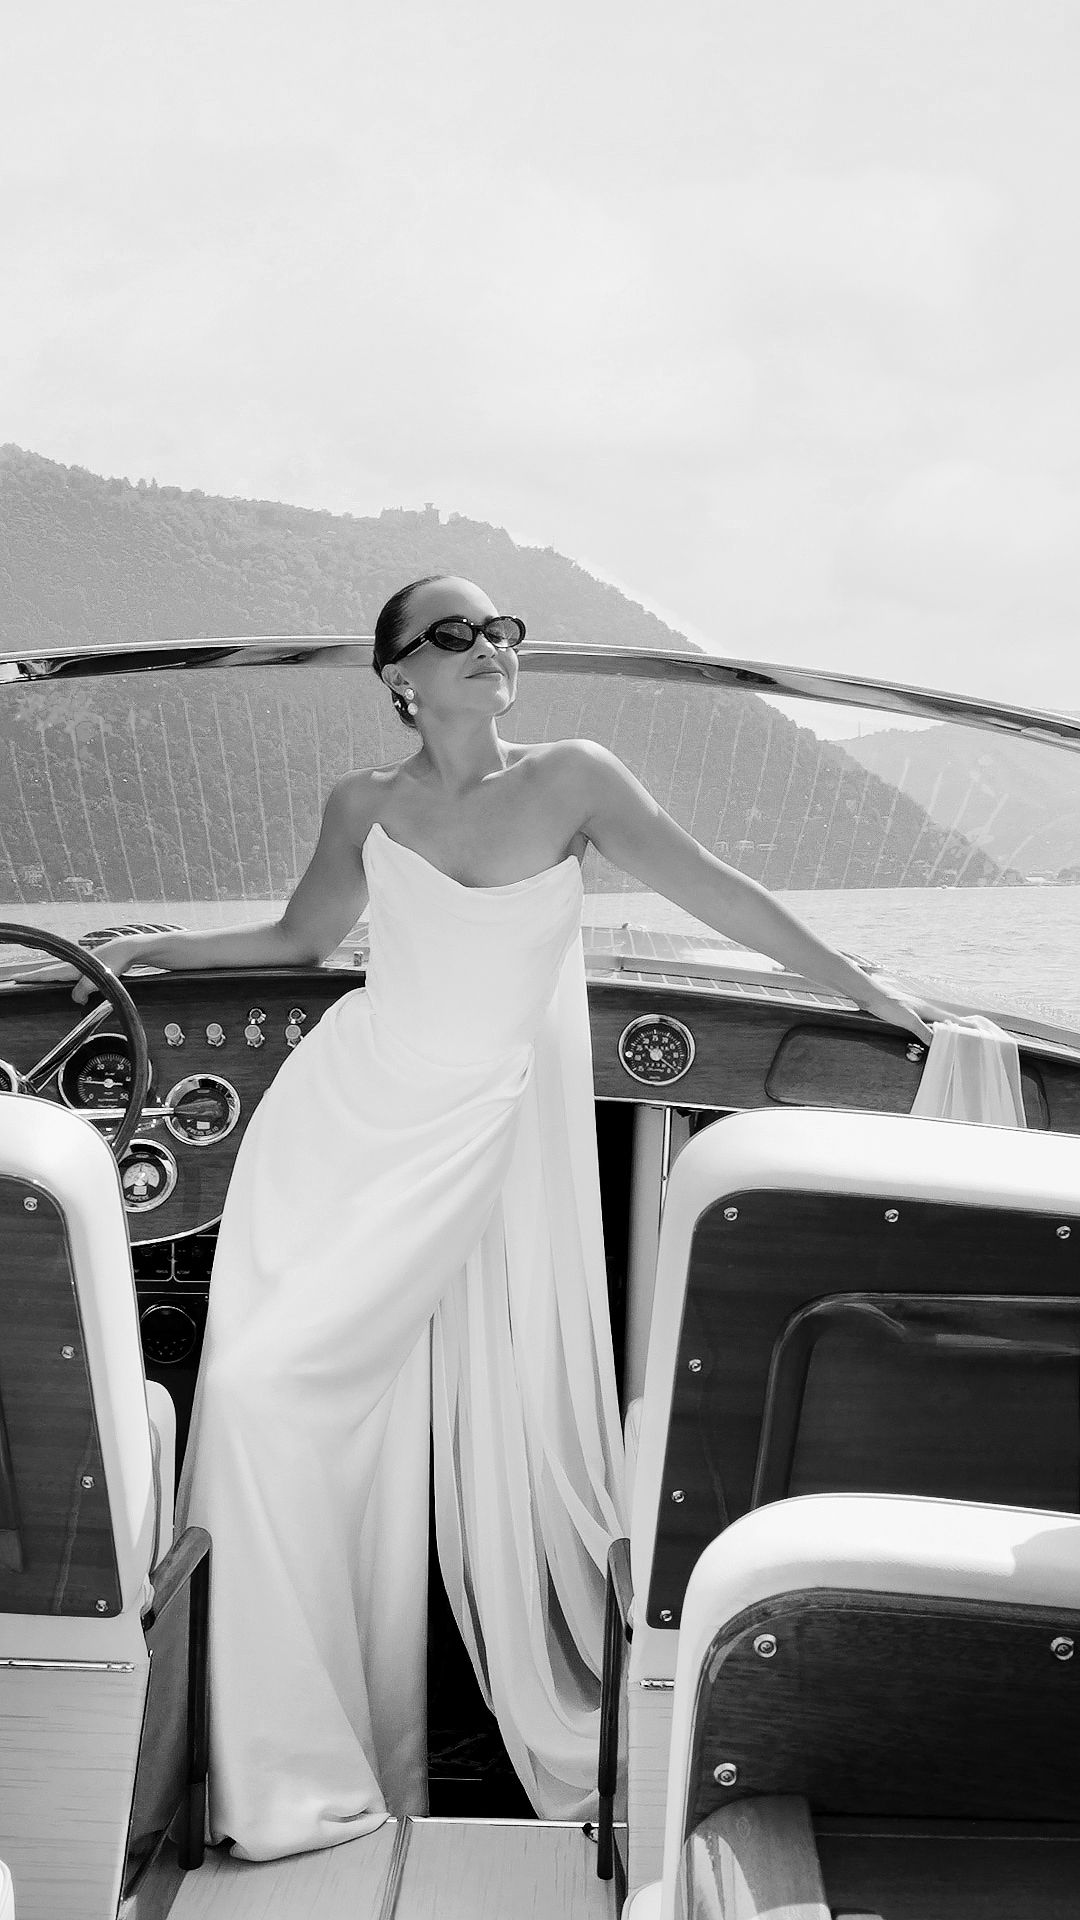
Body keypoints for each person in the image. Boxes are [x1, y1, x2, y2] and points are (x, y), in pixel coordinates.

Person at [33, 575, 937, 1862]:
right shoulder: (365, 805)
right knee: (250, 1392)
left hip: (473, 1134)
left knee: (278, 1397)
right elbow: (302, 940)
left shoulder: (574, 776)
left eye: (504, 630)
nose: (490, 650)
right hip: (344, 1122)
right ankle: (283, 1764)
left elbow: (719, 890)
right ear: (398, 673)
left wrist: (872, 992)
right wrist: (148, 948)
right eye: (453, 635)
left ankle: (331, 1751)